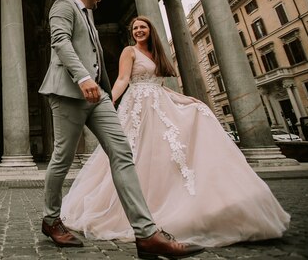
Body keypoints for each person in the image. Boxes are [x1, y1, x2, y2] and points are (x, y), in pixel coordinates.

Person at [62, 15, 290, 247]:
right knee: (137, 154)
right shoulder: (129, 51)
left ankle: (166, 202)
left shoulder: (157, 54)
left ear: (151, 31)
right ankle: (136, 211)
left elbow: (160, 88)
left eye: (143, 27)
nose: (139, 31)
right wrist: (107, 103)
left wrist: (187, 99)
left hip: (159, 105)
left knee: (169, 153)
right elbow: (122, 79)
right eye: (135, 28)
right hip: (138, 108)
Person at [39, 0, 205, 259]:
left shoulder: (89, 16)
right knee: (62, 157)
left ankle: (146, 234)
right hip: (70, 90)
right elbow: (60, 42)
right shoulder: (64, 6)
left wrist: (104, 91)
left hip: (98, 95)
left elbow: (95, 57)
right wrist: (82, 78)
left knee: (122, 154)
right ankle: (51, 219)